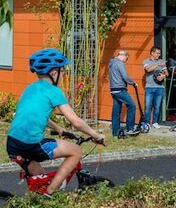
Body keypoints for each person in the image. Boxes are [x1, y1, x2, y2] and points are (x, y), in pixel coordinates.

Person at [6, 48, 106, 197]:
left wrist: (58, 128)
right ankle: (50, 193)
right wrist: (95, 134)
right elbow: (75, 121)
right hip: (31, 144)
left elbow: (33, 115)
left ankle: (37, 202)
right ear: (54, 73)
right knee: (76, 151)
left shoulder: (30, 88)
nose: (63, 74)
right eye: (62, 71)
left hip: (13, 143)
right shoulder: (54, 91)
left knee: (39, 180)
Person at [108, 50, 139, 137]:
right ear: (124, 56)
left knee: (116, 111)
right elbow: (125, 76)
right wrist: (133, 83)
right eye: (126, 59)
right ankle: (130, 128)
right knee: (132, 106)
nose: (126, 61)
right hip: (120, 89)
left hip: (113, 89)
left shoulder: (111, 63)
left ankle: (115, 132)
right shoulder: (119, 63)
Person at [142, 46, 168, 129]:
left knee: (157, 106)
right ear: (152, 53)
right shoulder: (146, 61)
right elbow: (148, 70)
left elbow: (167, 73)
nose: (159, 55)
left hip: (159, 87)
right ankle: (146, 123)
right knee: (148, 106)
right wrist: (158, 65)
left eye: (159, 53)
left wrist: (163, 76)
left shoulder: (161, 61)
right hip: (149, 87)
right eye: (157, 53)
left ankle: (155, 122)